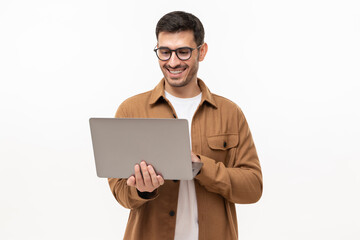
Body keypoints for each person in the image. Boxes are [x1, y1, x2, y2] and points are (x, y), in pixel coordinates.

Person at [108, 11, 262, 240]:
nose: (173, 62)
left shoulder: (230, 113)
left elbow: (252, 187)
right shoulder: (130, 111)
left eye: (183, 52)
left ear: (202, 52)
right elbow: (120, 192)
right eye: (165, 52)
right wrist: (143, 189)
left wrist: (201, 167)